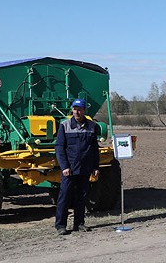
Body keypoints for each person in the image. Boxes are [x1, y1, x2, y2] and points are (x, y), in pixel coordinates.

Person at [54, 98, 100, 235]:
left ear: (84, 110)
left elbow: (94, 149)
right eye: (74, 109)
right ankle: (61, 225)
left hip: (85, 168)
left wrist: (95, 167)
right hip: (70, 169)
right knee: (65, 196)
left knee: (82, 197)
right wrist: (64, 167)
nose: (76, 112)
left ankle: (79, 223)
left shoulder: (92, 126)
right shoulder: (65, 125)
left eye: (79, 109)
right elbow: (59, 148)